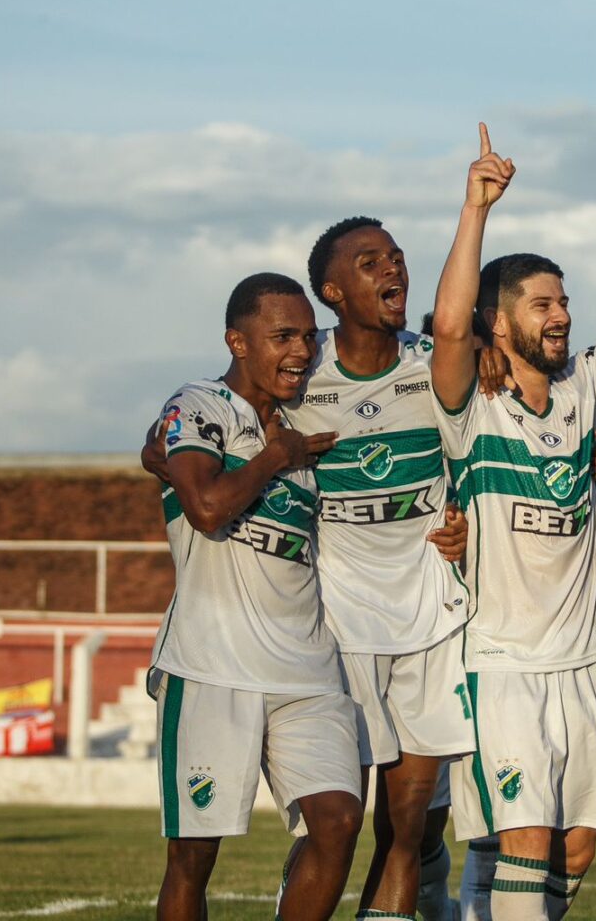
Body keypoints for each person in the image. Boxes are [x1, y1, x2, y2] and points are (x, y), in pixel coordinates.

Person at [429, 117, 596, 920]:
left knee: (577, 846)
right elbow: (447, 327)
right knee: (525, 838)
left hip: (586, 663)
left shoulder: (582, 392)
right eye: (542, 303)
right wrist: (474, 210)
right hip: (505, 665)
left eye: (565, 301)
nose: (561, 315)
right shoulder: (471, 405)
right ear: (499, 322)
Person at [149, 273, 362, 921]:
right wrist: (275, 458)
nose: (299, 351)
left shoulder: (305, 421)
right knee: (194, 859)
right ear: (236, 342)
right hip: (211, 665)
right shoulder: (200, 406)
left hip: (306, 667)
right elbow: (208, 507)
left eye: (305, 335)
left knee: (338, 822)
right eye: (280, 337)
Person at [291, 215, 476, 921]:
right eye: (369, 262)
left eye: (396, 258)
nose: (392, 270)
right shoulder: (298, 379)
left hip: (431, 622)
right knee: (330, 827)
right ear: (333, 291)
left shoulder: (436, 363)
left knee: (404, 827)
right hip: (339, 630)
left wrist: (470, 526)